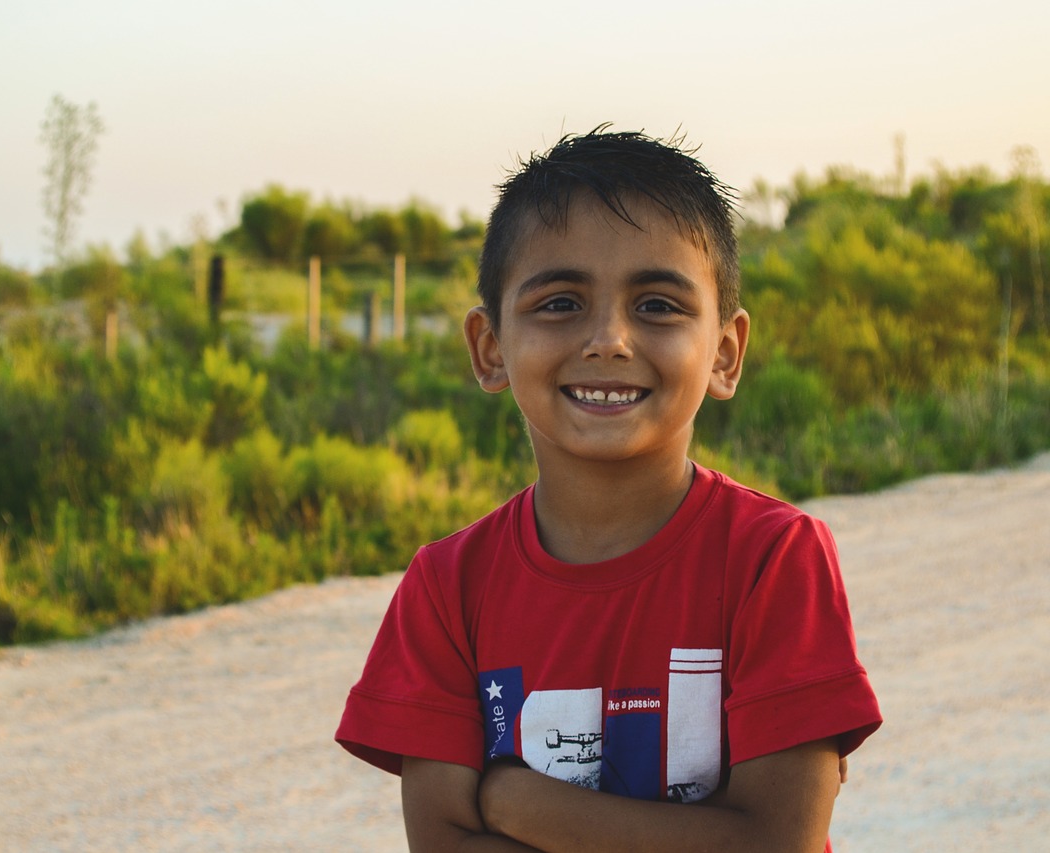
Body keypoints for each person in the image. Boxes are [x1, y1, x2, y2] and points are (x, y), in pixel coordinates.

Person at [335, 128, 881, 852]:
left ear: (725, 353)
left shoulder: (772, 559)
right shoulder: (447, 587)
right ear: (489, 348)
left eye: (658, 305)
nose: (610, 340)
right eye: (560, 303)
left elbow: (774, 841)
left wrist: (516, 799)